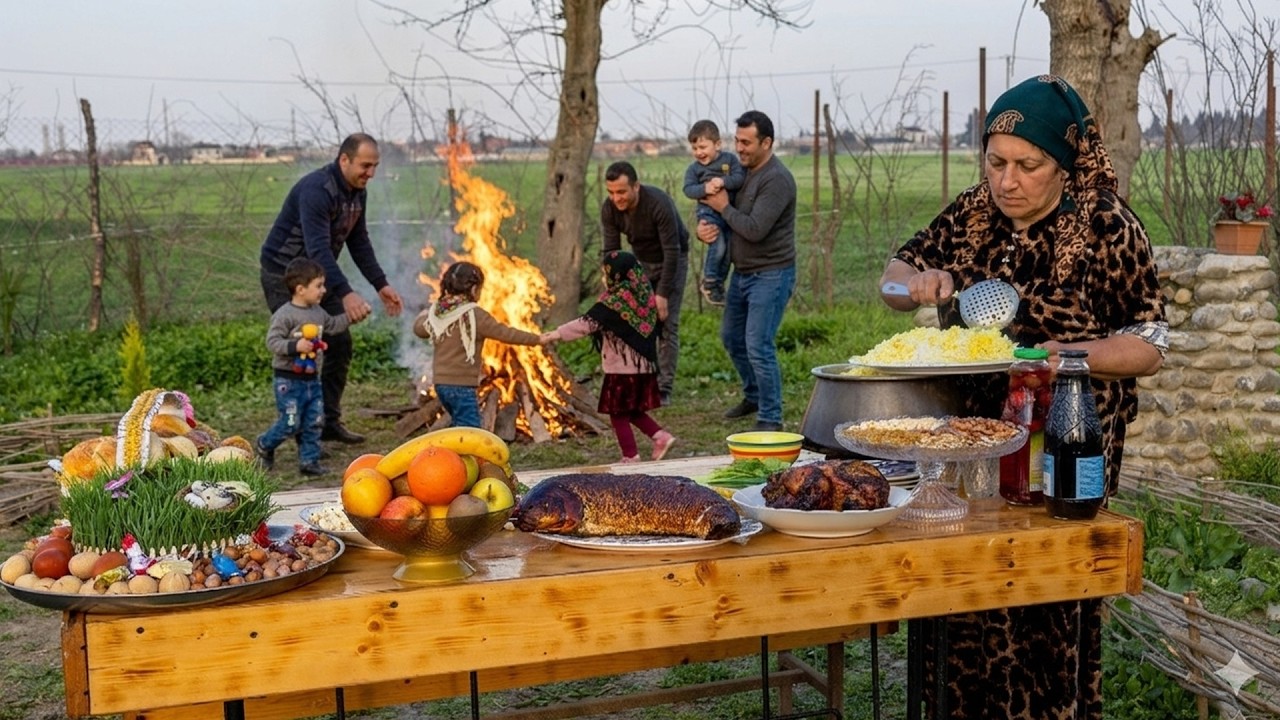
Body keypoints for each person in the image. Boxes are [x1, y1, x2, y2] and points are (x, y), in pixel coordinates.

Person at [878, 74, 1167, 719]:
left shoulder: (1108, 229)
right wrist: (919, 284)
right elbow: (891, 281)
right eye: (996, 161)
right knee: (959, 593)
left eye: (1027, 165)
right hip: (964, 446)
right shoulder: (970, 213)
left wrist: (1060, 358)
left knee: (1041, 601)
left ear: (1063, 166)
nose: (1007, 180)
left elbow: (1148, 343)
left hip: (1061, 449)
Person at [259, 132, 404, 446]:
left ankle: (327, 423)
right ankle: (302, 431)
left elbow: (359, 242)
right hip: (286, 276)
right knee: (305, 347)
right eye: (365, 165)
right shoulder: (317, 190)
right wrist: (347, 293)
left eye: (375, 166)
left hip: (317, 277)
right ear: (344, 160)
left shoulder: (357, 192)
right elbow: (317, 249)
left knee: (339, 344)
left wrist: (381, 285)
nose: (371, 173)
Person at [696, 110, 797, 432]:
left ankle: (771, 416)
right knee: (731, 338)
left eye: (746, 142)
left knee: (758, 344)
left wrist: (723, 207)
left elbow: (753, 229)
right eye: (737, 140)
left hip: (771, 274)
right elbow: (719, 213)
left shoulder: (777, 179)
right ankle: (754, 395)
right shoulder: (740, 172)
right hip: (742, 273)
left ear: (767, 142)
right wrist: (706, 227)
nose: (739, 148)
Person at [541, 251, 676, 463]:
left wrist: (557, 334)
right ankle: (661, 436)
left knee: (617, 414)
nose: (604, 278)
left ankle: (630, 456)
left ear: (617, 275)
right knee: (632, 411)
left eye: (607, 273)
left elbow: (588, 323)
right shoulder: (642, 296)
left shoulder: (615, 302)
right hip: (642, 367)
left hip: (621, 371)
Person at [412, 261, 545, 428]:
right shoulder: (475, 315)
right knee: (471, 430)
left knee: (459, 424)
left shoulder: (440, 312)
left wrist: (424, 315)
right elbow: (506, 334)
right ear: (474, 289)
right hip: (462, 387)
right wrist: (538, 339)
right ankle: (464, 454)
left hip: (441, 385)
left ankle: (454, 452)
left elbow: (420, 330)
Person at [601, 161, 689, 405]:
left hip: (673, 260)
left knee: (666, 323)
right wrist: (615, 289)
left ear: (636, 186)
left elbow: (672, 250)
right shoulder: (610, 209)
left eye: (621, 192)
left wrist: (662, 294)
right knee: (640, 323)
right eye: (611, 192)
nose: (616, 198)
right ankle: (643, 379)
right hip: (641, 263)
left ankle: (664, 388)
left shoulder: (657, 204)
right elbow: (611, 251)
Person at [256, 257, 352, 476]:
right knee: (290, 422)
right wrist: (295, 345)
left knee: (314, 421)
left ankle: (309, 462)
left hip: (312, 380)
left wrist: (352, 317)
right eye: (318, 285)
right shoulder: (285, 314)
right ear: (300, 289)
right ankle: (264, 444)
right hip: (288, 381)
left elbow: (333, 325)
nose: (323, 290)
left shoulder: (318, 312)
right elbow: (272, 342)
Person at [682, 119, 746, 307]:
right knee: (718, 246)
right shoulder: (694, 169)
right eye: (694, 148)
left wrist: (723, 182)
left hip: (728, 212)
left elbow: (739, 178)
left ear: (717, 144)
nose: (699, 153)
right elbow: (688, 189)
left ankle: (718, 285)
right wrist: (704, 189)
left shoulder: (729, 160)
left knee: (727, 251)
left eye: (703, 147)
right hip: (708, 213)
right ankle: (709, 280)